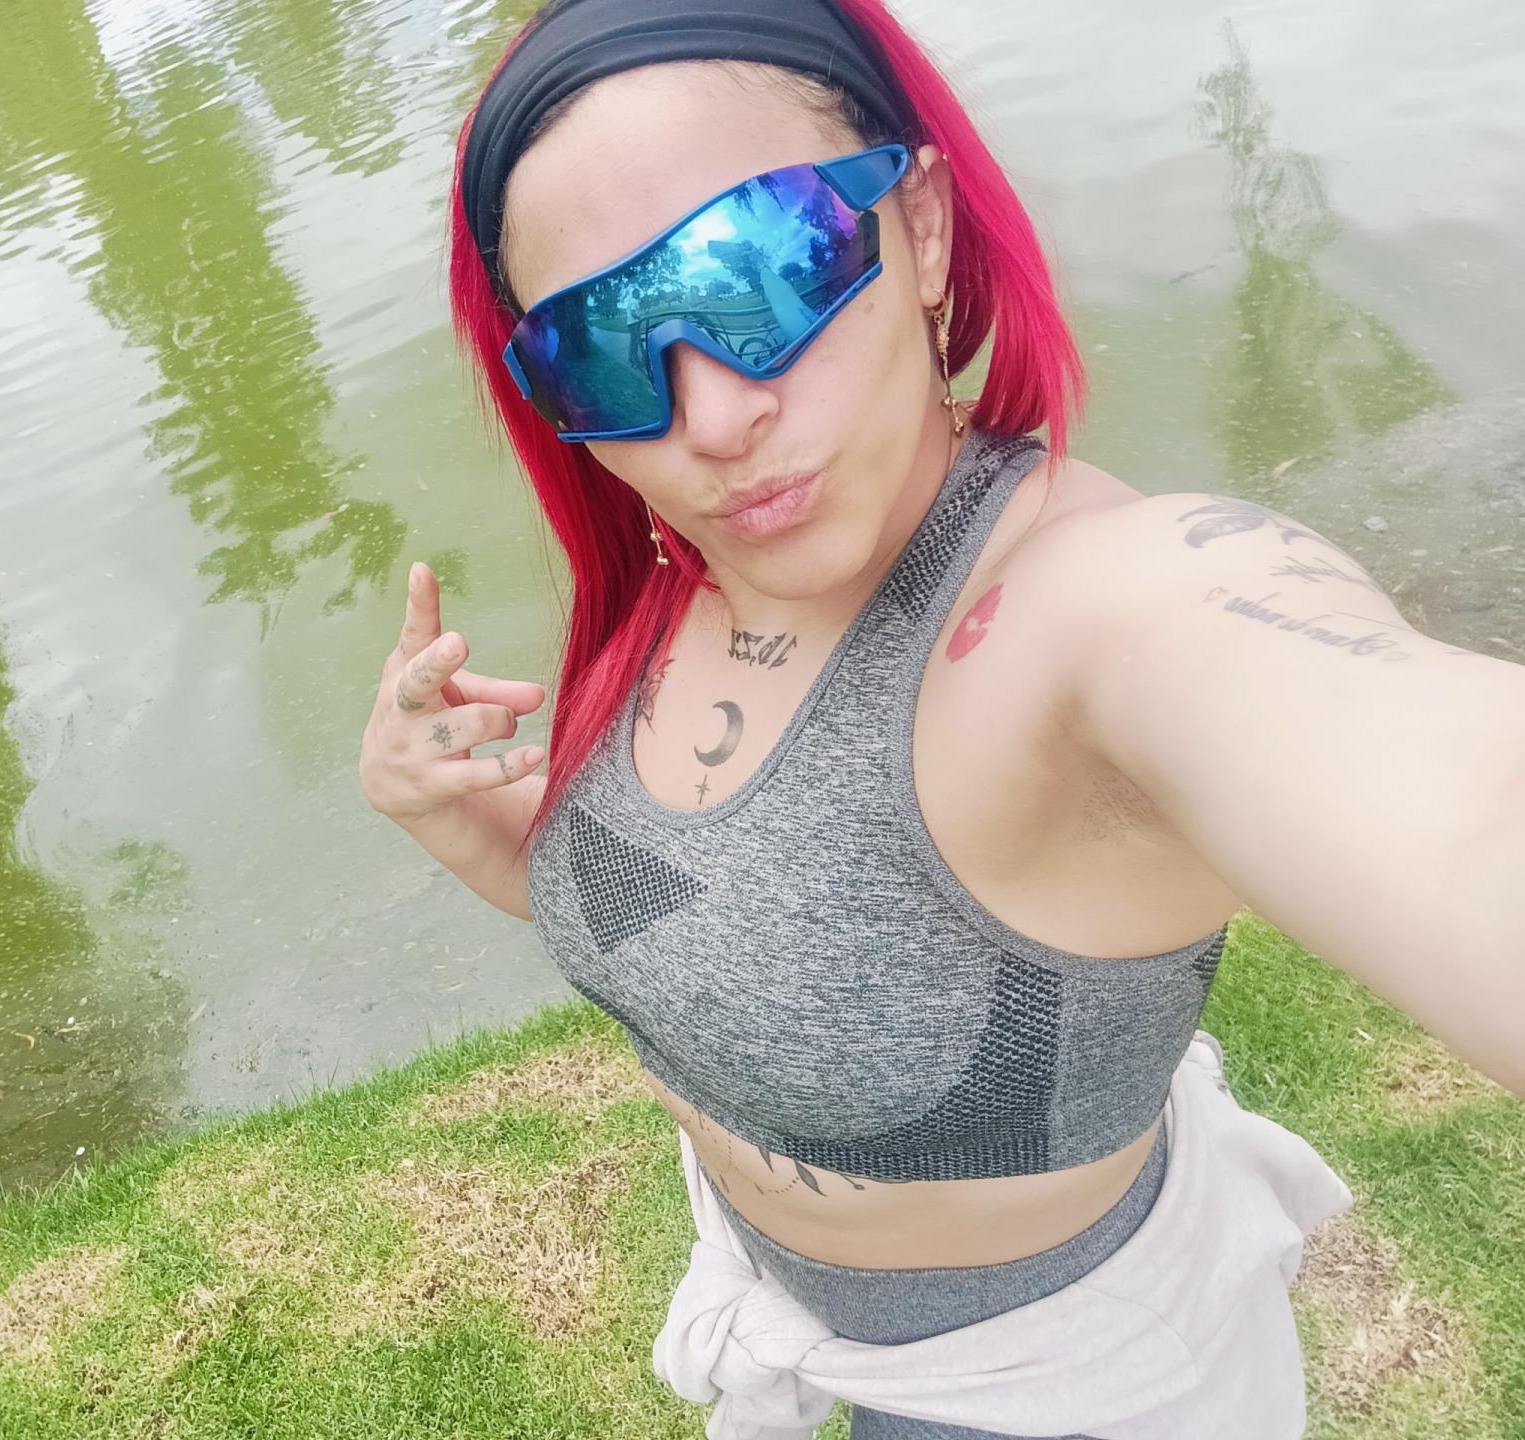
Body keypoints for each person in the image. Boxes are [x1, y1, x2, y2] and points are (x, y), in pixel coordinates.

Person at [358, 1, 1525, 1434]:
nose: (709, 417)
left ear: (918, 225)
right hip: (812, 1331)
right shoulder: (691, 573)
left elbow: (1449, 806)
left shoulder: (1085, 610)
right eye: (601, 351)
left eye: (759, 270)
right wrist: (463, 821)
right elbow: (701, 924)